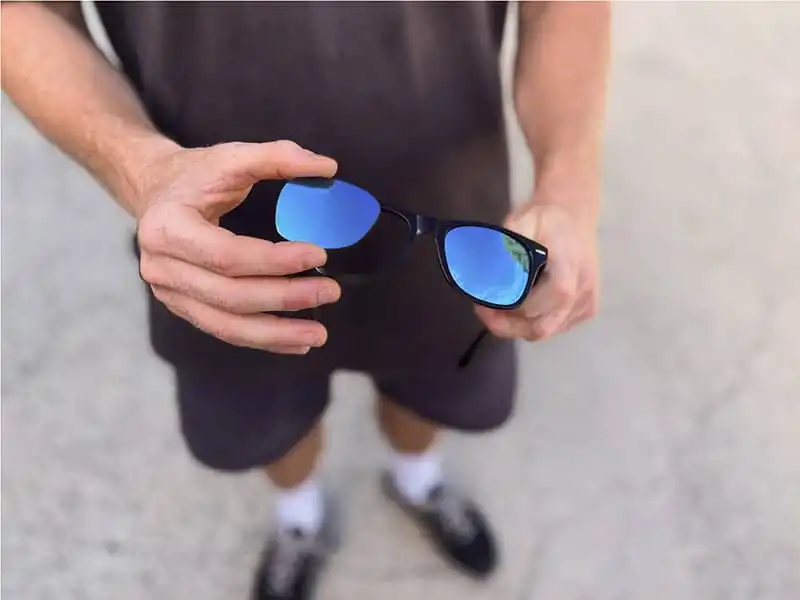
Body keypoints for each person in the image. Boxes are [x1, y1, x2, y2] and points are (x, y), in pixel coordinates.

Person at [2, 2, 610, 598]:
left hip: (454, 229)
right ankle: (300, 518)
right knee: (264, 422)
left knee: (436, 384)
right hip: (221, 233)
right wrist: (140, 168)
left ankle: (416, 481)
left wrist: (568, 186)